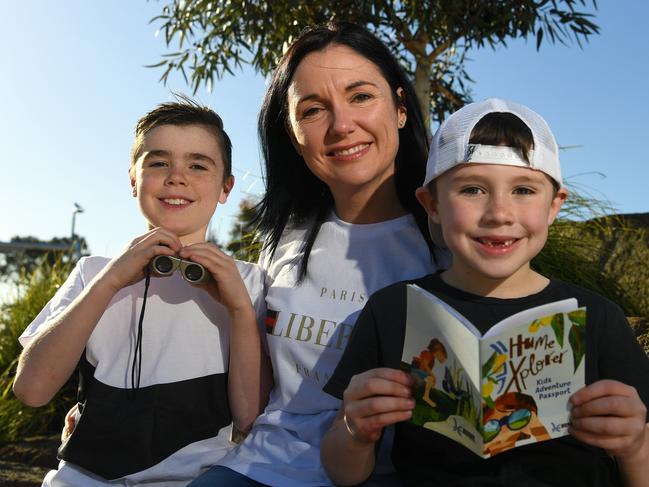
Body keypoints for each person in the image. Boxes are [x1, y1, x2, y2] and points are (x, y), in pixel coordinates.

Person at [321, 98, 649, 486]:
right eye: (472, 190)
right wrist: (355, 428)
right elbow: (344, 474)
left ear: (554, 206)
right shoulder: (394, 310)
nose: (499, 213)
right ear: (433, 205)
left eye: (524, 190)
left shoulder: (598, 317)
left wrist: (635, 444)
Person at [189, 21, 449, 487]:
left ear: (401, 108)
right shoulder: (282, 241)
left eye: (361, 96)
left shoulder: (449, 243)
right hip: (262, 468)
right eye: (313, 110)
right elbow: (257, 388)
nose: (342, 125)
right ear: (292, 135)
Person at [12, 95, 273, 487]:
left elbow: (251, 418)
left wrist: (238, 308)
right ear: (134, 180)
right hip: (84, 479)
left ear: (225, 187)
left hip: (200, 480)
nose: (176, 176)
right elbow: (32, 390)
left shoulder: (249, 283)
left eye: (198, 164)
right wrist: (111, 281)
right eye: (158, 162)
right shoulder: (94, 272)